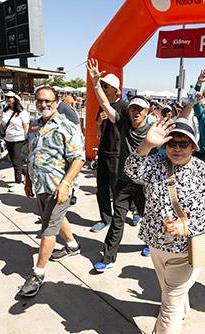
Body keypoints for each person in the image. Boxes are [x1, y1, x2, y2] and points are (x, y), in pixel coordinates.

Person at [124, 118, 205, 334]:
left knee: (168, 306)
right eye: (172, 143)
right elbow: (131, 171)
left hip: (188, 250)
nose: (177, 148)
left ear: (193, 145)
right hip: (156, 245)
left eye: (184, 143)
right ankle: (182, 304)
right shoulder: (155, 163)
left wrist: (188, 226)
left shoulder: (204, 171)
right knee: (172, 295)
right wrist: (147, 144)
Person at [17, 86, 85, 297]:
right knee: (53, 218)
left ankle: (38, 274)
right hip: (40, 185)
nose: (43, 105)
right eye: (39, 101)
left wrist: (65, 185)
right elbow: (30, 154)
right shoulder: (35, 126)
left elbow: (78, 159)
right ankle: (73, 246)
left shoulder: (67, 126)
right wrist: (28, 180)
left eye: (48, 101)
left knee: (48, 229)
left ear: (57, 102)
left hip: (59, 188)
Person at [88, 58, 152, 272]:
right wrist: (96, 83)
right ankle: (108, 257)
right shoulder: (123, 124)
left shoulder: (153, 132)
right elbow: (105, 104)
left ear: (147, 113)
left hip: (143, 184)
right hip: (124, 182)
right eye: (132, 109)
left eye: (139, 110)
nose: (135, 112)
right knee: (118, 219)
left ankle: (150, 243)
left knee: (149, 217)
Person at [86, 60, 128, 233]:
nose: (103, 88)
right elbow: (98, 128)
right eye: (102, 85)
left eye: (106, 86)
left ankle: (125, 217)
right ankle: (105, 218)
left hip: (118, 155)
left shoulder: (124, 107)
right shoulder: (103, 106)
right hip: (103, 152)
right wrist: (99, 124)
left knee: (118, 191)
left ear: (116, 89)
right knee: (101, 189)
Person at [1, 91, 30, 192]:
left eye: (11, 97)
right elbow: (2, 124)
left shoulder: (22, 112)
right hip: (8, 138)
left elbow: (26, 125)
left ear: (15, 99)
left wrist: (26, 138)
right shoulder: (5, 111)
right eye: (7, 97)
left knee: (17, 161)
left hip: (19, 139)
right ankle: (28, 175)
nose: (9, 99)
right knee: (13, 160)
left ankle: (18, 182)